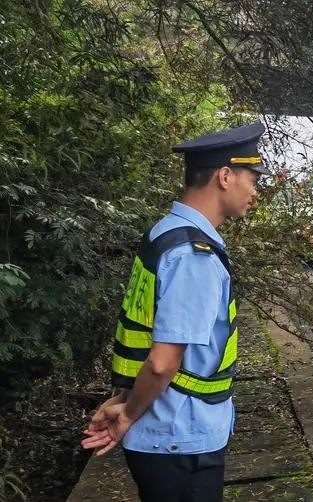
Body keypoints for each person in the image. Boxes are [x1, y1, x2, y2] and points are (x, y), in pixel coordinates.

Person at [80, 123, 270, 502]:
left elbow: (145, 332)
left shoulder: (164, 233)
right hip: (180, 438)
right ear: (225, 176)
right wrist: (129, 414)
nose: (255, 192)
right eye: (252, 179)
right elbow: (162, 363)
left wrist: (123, 399)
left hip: (165, 434)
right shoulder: (194, 257)